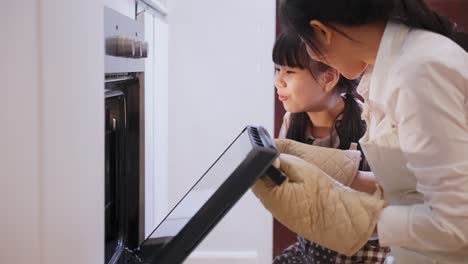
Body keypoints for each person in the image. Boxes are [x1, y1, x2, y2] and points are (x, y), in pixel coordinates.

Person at [253, 0, 468, 263]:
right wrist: (329, 166)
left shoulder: (419, 73)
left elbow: (457, 223)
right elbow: (413, 185)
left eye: (308, 46)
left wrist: (354, 219)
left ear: (322, 32)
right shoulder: (388, 68)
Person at [271, 31, 389, 264]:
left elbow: (386, 194)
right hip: (310, 248)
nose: (278, 81)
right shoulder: (291, 121)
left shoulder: (368, 120)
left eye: (290, 72)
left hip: (362, 250)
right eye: (277, 69)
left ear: (329, 78)